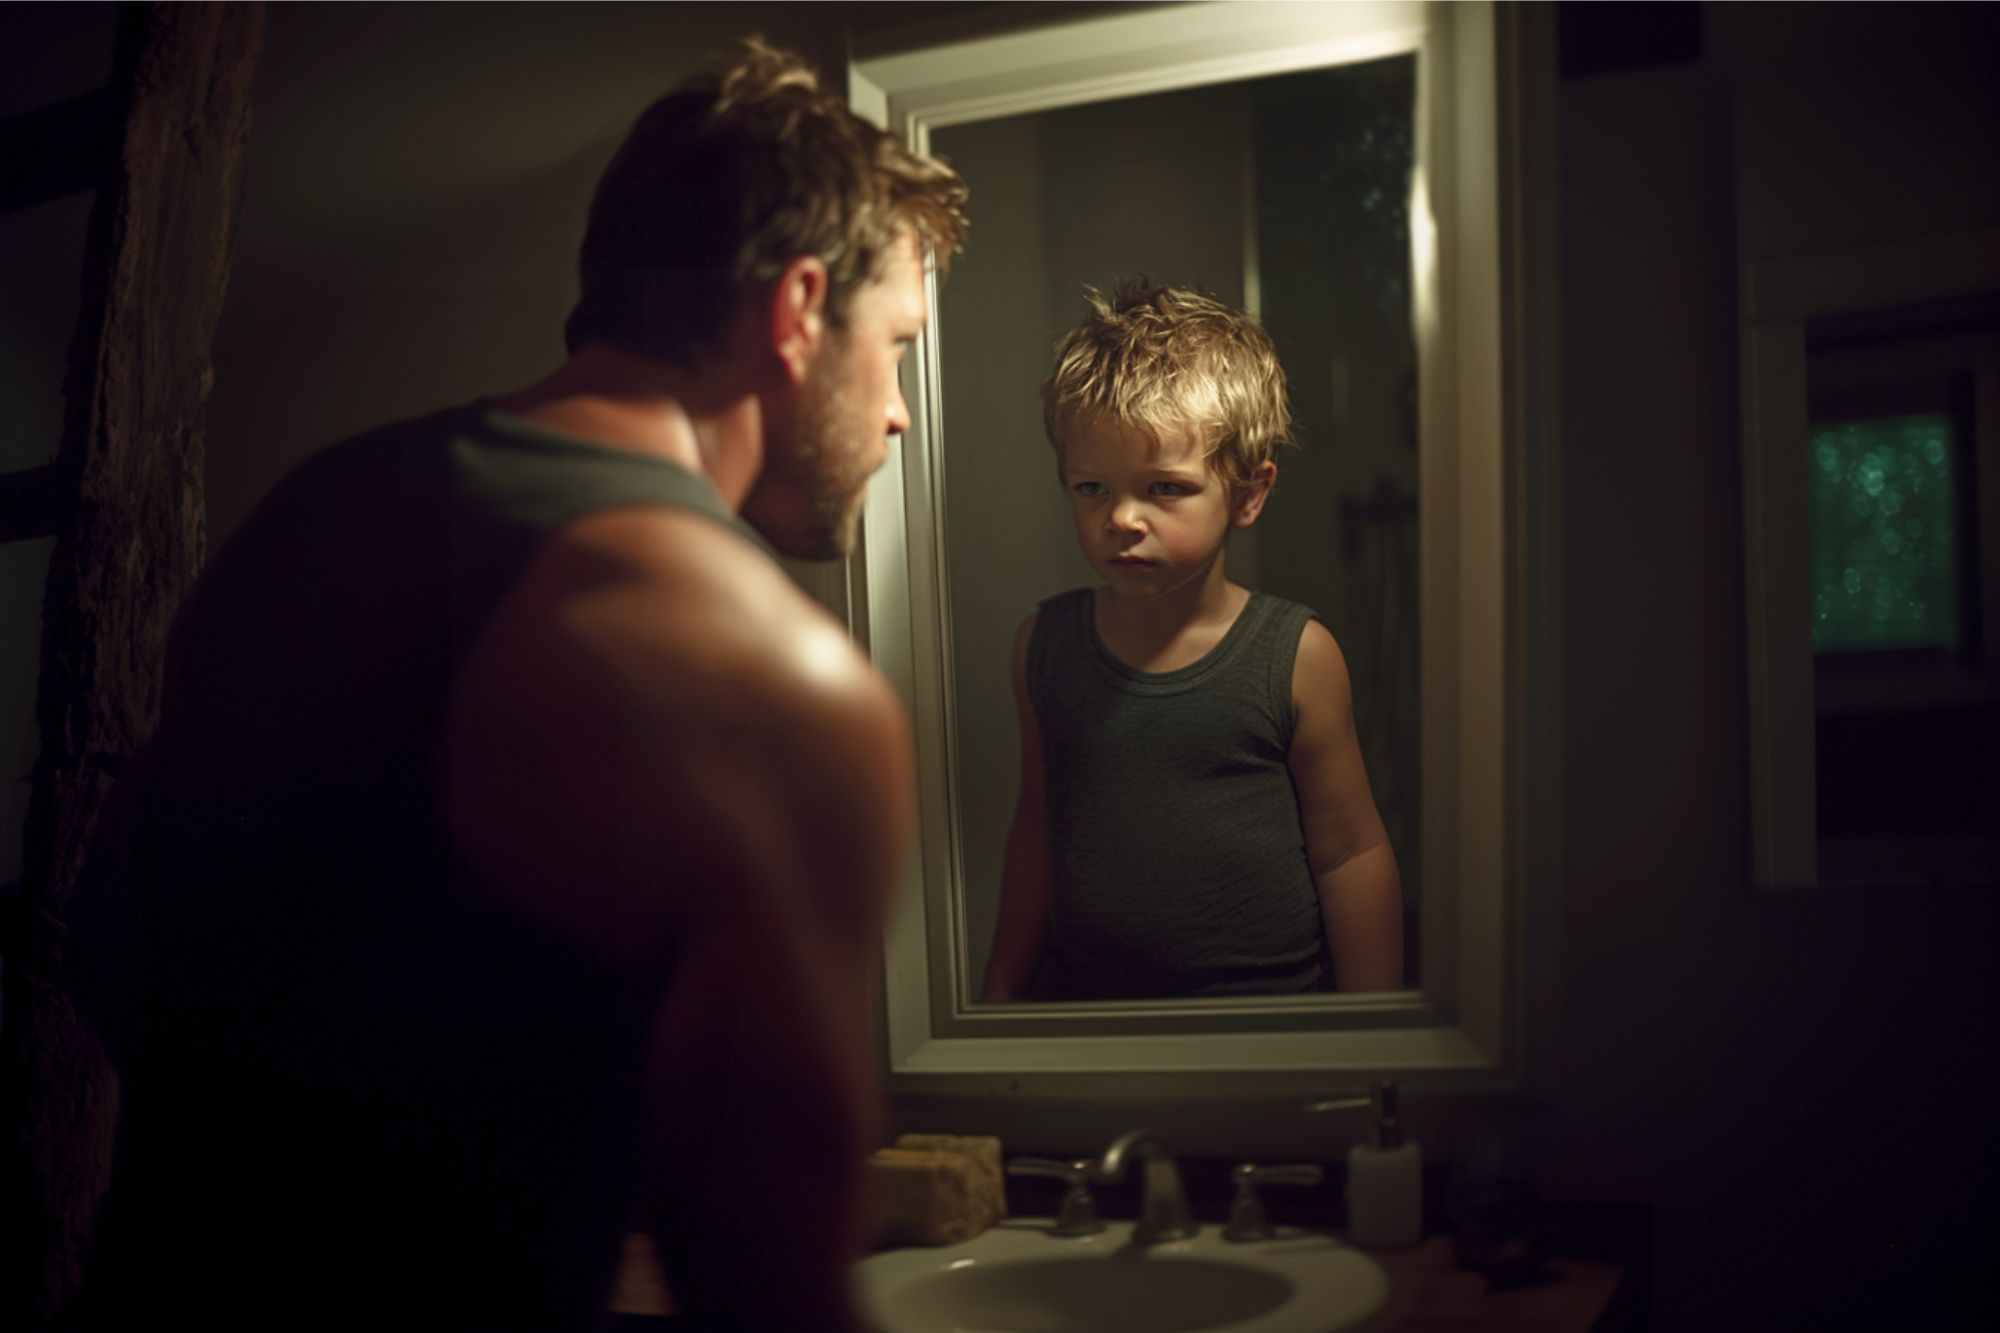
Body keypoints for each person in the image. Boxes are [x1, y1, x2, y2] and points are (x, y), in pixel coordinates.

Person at [62, 38, 966, 1333]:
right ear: (797, 310)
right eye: (897, 345)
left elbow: (107, 959)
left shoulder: (311, 512)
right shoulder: (776, 689)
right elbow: (765, 1289)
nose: (898, 413)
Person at [978, 282, 1402, 1004]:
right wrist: (995, 998)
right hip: (1091, 1020)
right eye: (1091, 488)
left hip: (1269, 1018)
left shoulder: (1296, 657)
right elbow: (1037, 829)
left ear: (1248, 494)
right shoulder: (1042, 649)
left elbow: (1349, 849)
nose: (1122, 518)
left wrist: (1372, 1035)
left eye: (1164, 488)